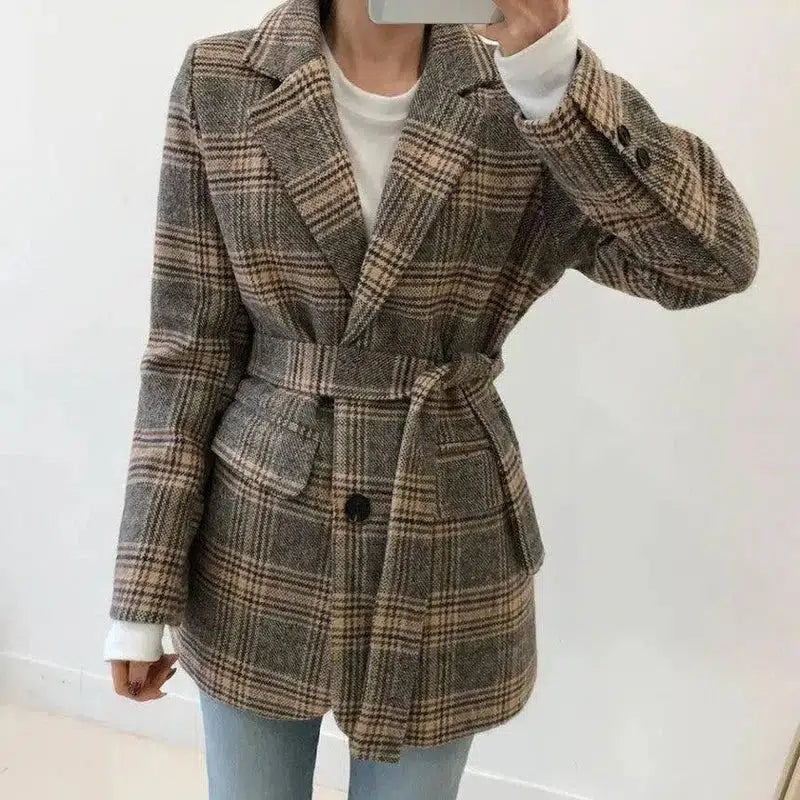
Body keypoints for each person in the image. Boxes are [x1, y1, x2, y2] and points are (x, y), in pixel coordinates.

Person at [102, 0, 759, 797]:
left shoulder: (525, 91)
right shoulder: (223, 79)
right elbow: (189, 351)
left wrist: (555, 78)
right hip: (260, 536)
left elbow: (710, 264)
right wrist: (141, 592)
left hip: (447, 529)